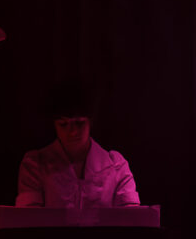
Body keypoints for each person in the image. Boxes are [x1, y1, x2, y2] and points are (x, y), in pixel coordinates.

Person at [16, 81, 140, 209]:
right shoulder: (35, 166)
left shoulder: (117, 166)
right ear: (54, 124)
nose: (73, 131)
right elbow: (29, 217)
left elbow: (131, 217)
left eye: (79, 123)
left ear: (90, 122)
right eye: (64, 124)